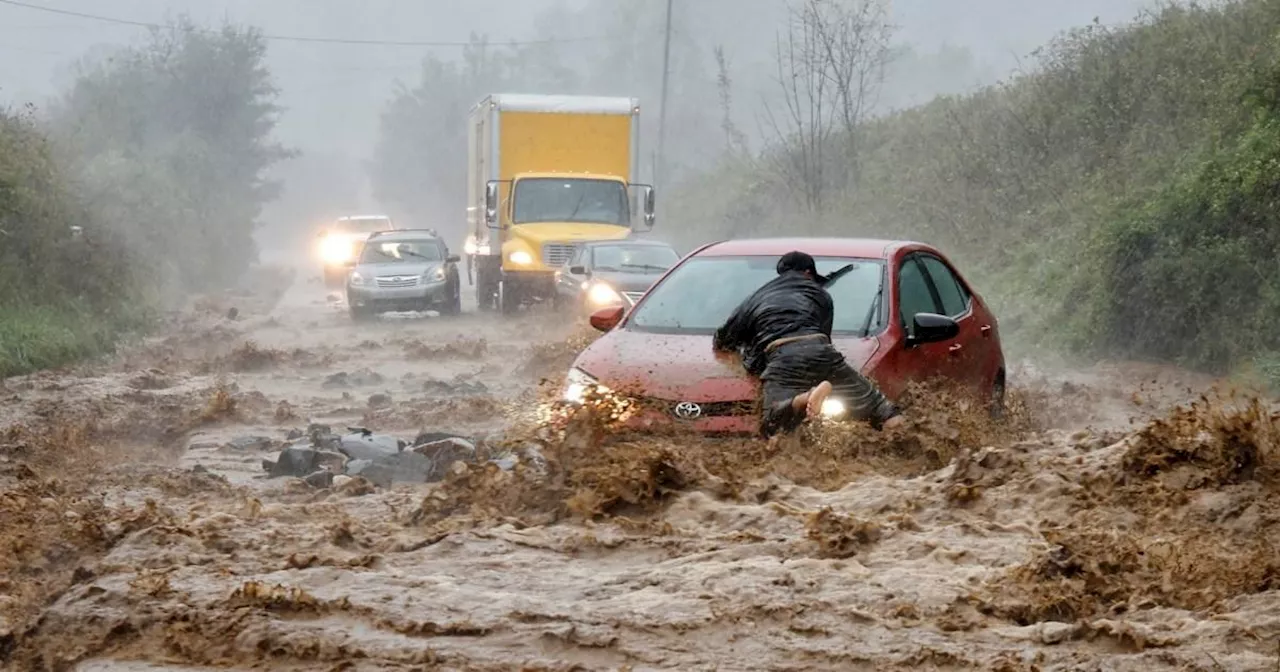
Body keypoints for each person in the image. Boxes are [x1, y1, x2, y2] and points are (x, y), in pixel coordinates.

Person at [712, 251, 904, 437]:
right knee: (882, 408)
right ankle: (906, 446)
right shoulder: (821, 295)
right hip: (820, 349)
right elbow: (824, 337)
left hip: (783, 355)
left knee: (771, 422)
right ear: (808, 273)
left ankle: (804, 399)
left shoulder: (756, 298)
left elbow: (724, 339)